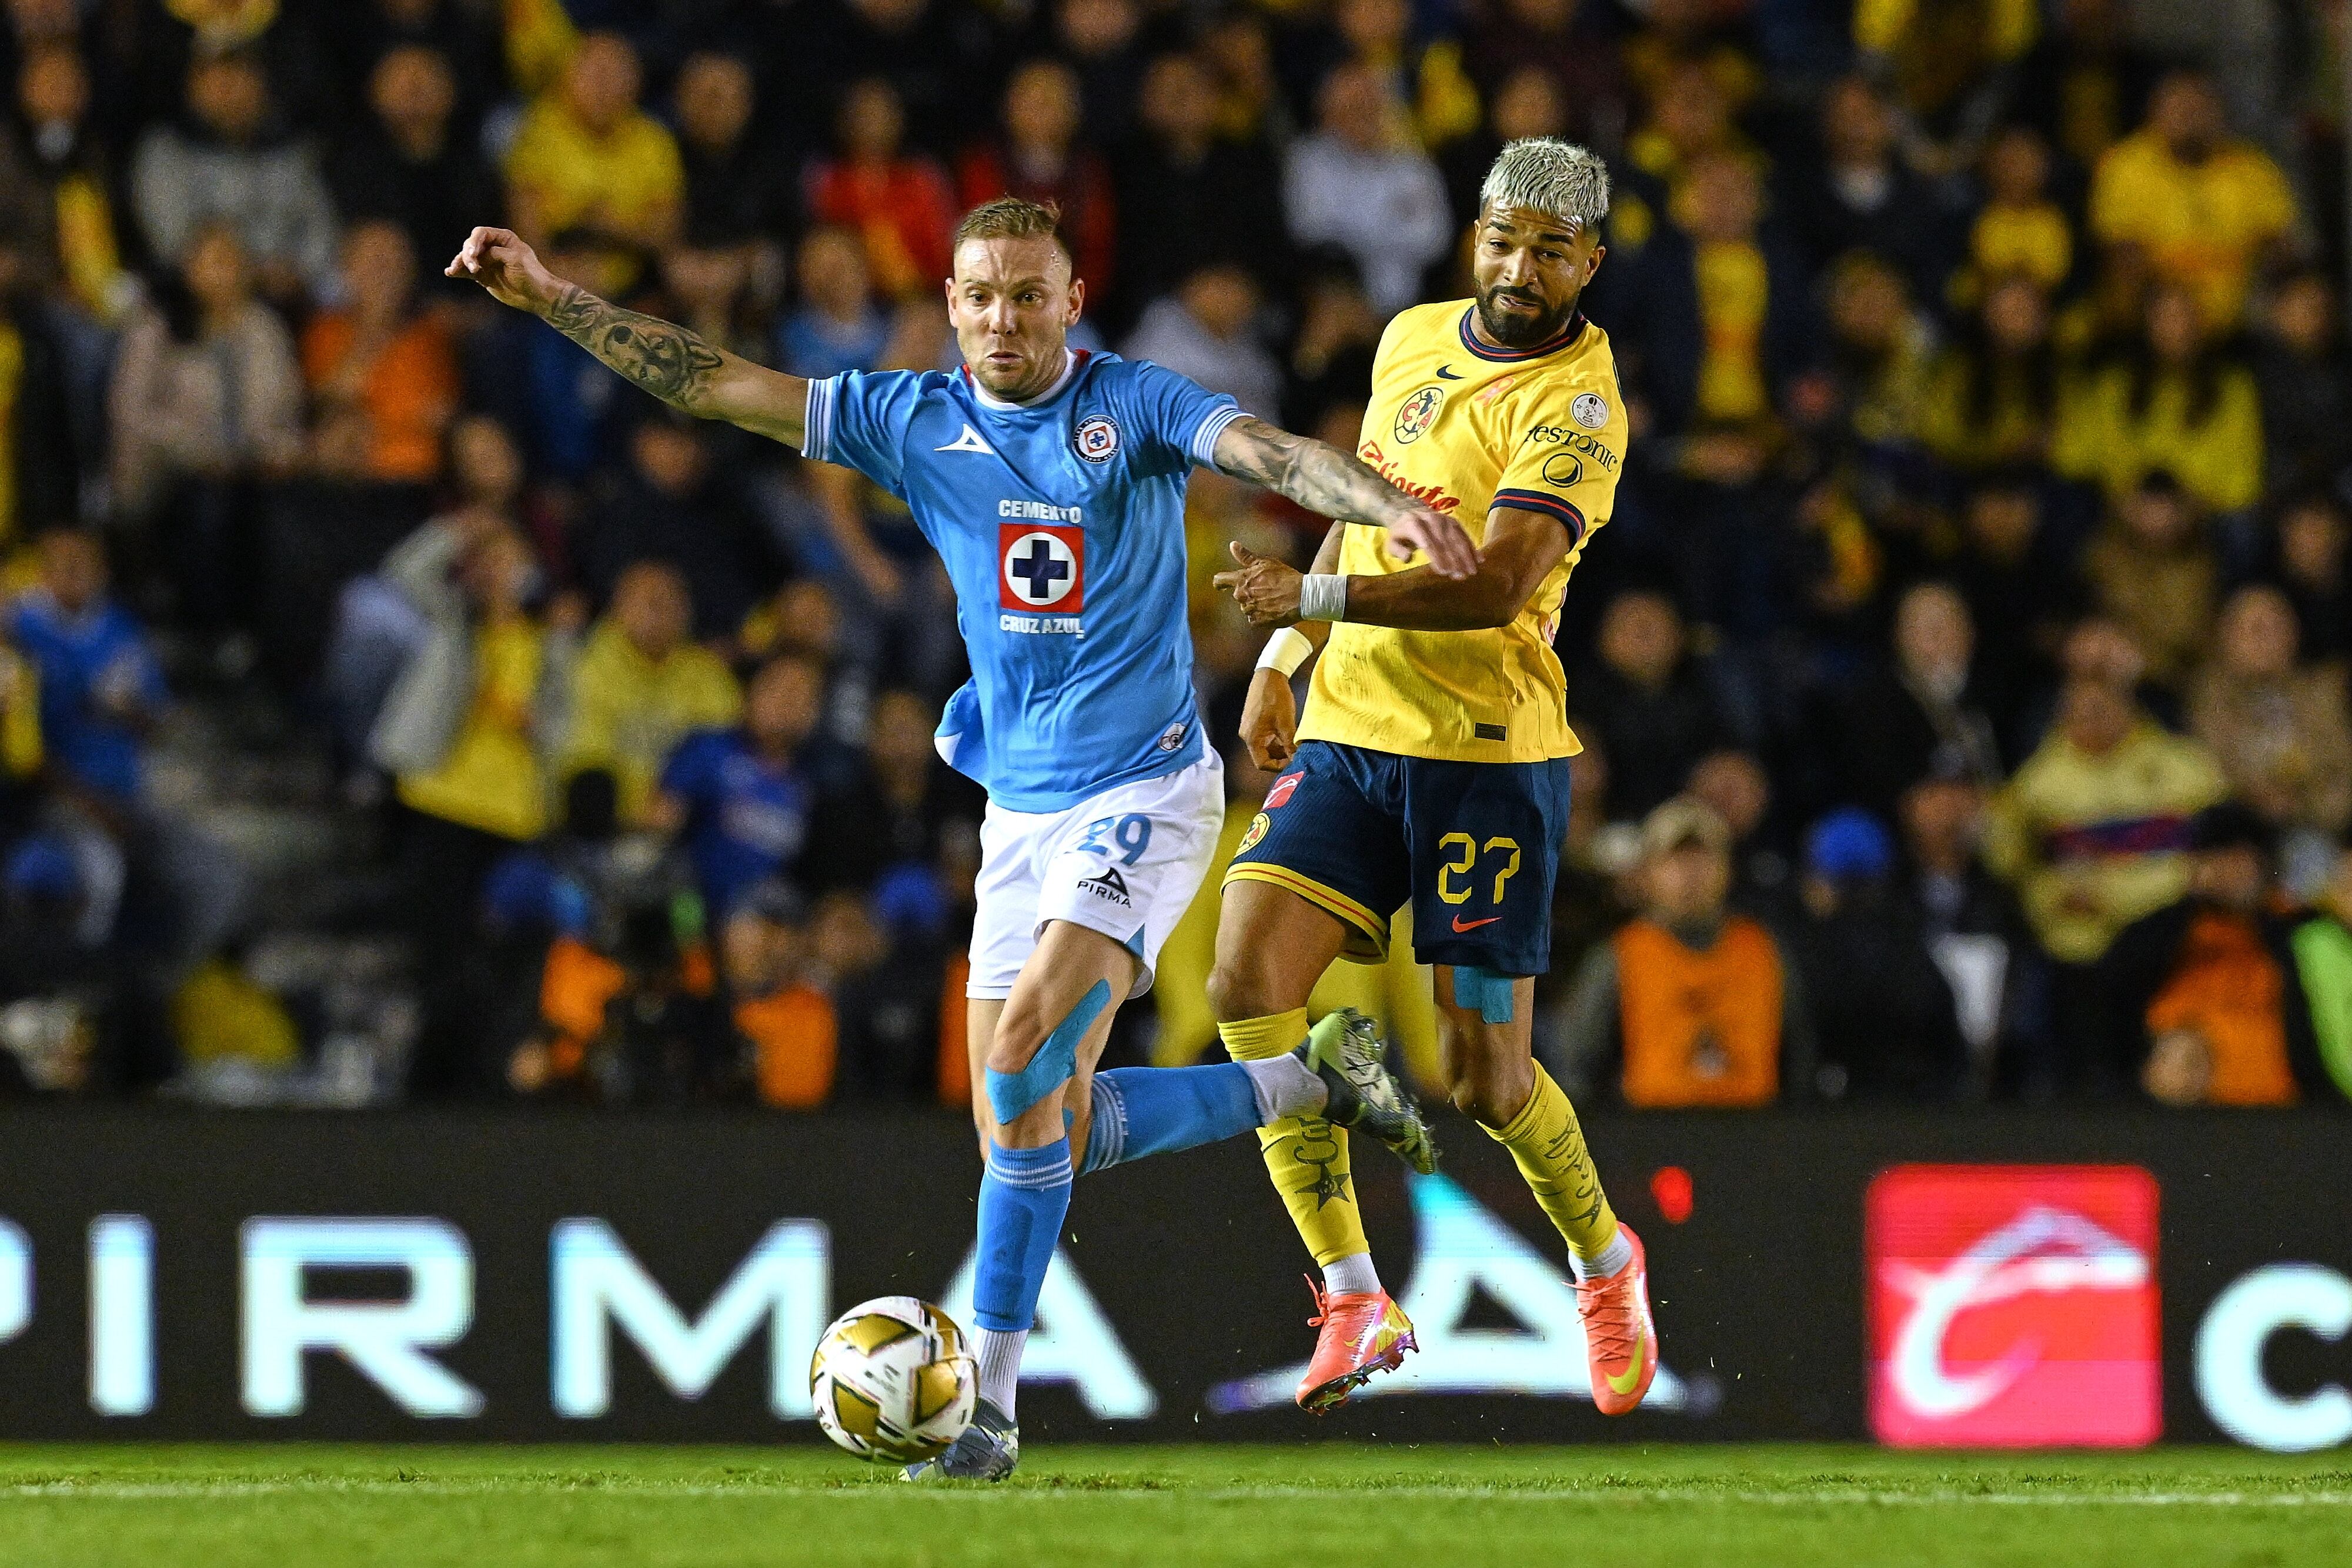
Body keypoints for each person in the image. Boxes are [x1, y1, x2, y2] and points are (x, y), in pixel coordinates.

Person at [448, 193, 1474, 1480]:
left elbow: (1268, 452)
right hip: (1018, 808)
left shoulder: (1131, 405)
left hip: (1144, 790)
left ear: (1070, 302)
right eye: (980, 295)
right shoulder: (909, 417)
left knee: (1020, 1054)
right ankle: (1310, 1079)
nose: (1003, 318)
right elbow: (714, 384)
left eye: (1028, 294)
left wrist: (1385, 508)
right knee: (1031, 1124)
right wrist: (552, 297)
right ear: (949, 303)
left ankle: (986, 1407)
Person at [1210, 139, 1659, 1421]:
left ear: (1589, 264)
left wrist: (1311, 604)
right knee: (1244, 980)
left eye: (1550, 252)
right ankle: (1355, 1293)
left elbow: (1497, 583)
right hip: (1353, 733)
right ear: (1474, 237)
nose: (1520, 270)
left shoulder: (1577, 405)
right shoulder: (1409, 339)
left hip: (1483, 758)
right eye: (1503, 242)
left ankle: (1603, 1260)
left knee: (1484, 1084)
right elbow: (1364, 515)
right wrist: (1288, 656)